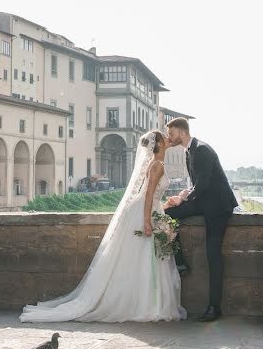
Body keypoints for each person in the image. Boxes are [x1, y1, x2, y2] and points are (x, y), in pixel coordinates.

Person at [19, 130, 186, 323]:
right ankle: (147, 305)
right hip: (144, 213)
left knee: (143, 259)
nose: (168, 137)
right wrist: (147, 222)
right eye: (165, 136)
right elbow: (148, 195)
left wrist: (166, 205)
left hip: (148, 210)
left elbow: (153, 196)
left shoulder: (156, 164)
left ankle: (147, 303)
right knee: (143, 258)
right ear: (159, 144)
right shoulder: (157, 165)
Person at [164, 117, 238, 322]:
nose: (169, 138)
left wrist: (182, 198)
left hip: (218, 206)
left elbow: (203, 185)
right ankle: (180, 262)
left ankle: (214, 307)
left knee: (212, 254)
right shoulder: (189, 151)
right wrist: (181, 197)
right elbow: (197, 184)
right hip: (203, 201)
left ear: (181, 132)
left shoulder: (202, 149)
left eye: (171, 134)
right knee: (166, 215)